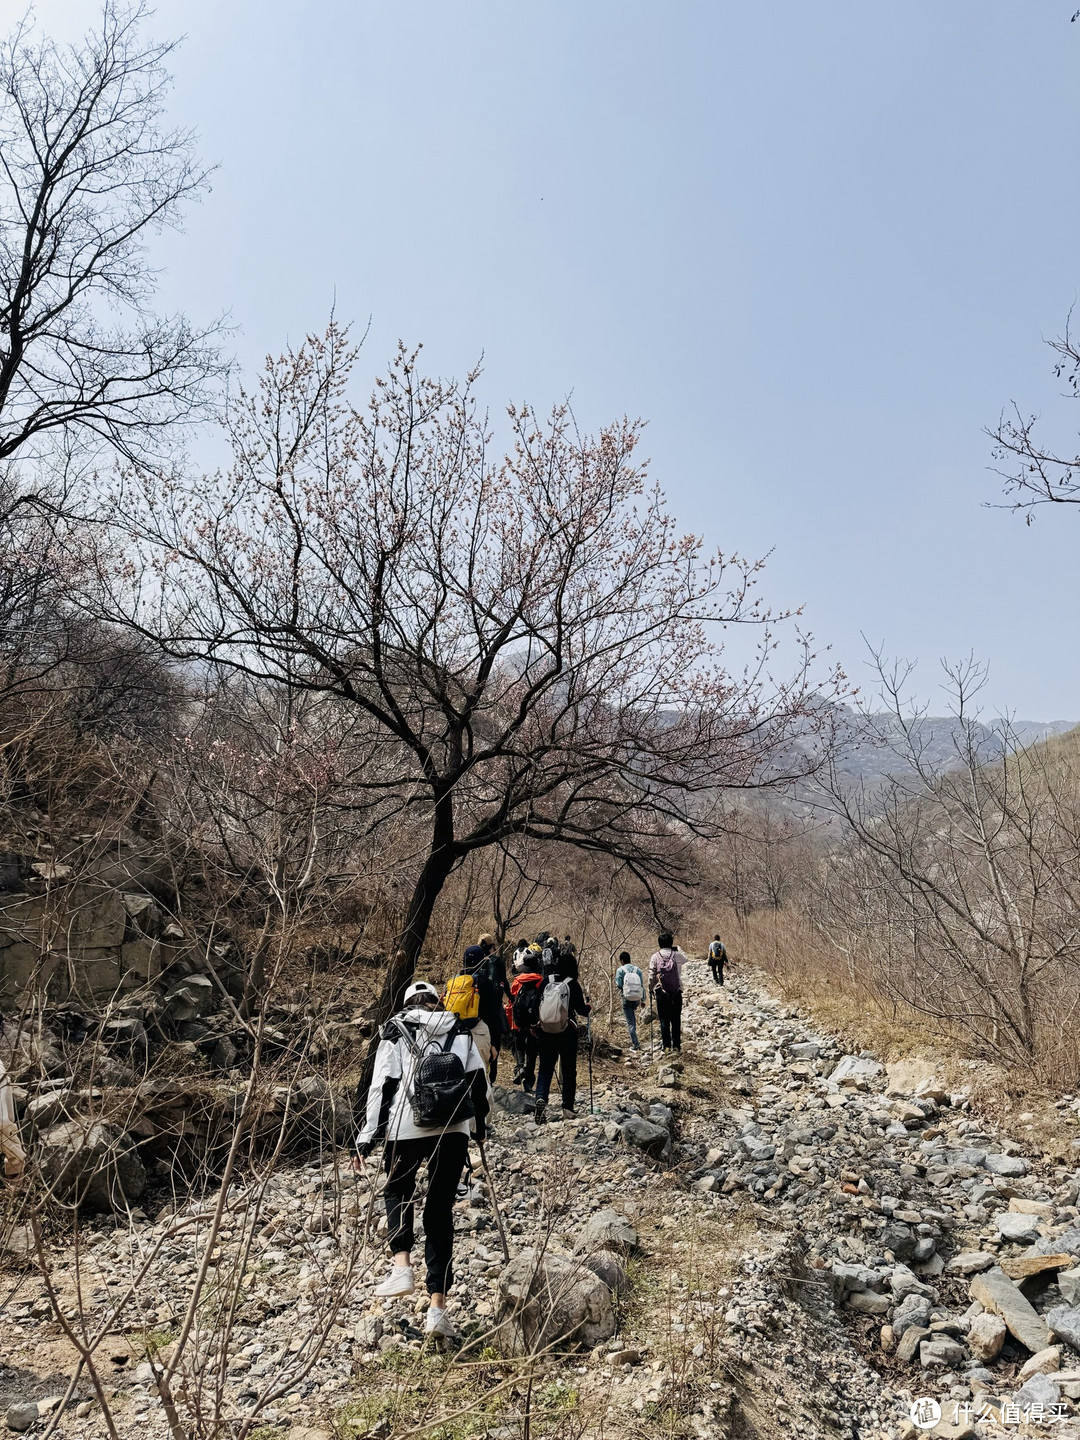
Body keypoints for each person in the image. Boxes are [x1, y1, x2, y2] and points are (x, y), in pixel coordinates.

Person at [354, 980, 489, 1341]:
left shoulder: (395, 1030)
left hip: (407, 1127)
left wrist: (367, 1137)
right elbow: (478, 1082)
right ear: (435, 1002)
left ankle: (402, 1266)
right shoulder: (459, 1028)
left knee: (397, 1190)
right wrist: (479, 1126)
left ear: (407, 1003)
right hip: (455, 1126)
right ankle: (437, 1310)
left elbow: (382, 1085)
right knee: (440, 1210)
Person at [533, 951, 590, 1123]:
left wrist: (534, 1025)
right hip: (567, 1033)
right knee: (568, 1069)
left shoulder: (546, 981)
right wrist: (588, 1007)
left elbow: (536, 1006)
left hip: (546, 1032)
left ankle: (540, 1098)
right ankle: (567, 1107)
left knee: (545, 1067)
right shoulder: (572, 984)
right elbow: (581, 1011)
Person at [462, 934, 510, 1082]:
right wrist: (511, 997)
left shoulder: (459, 977)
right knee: (491, 1051)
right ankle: (491, 1079)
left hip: (463, 1025)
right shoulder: (496, 963)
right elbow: (503, 983)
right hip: (488, 1017)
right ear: (491, 947)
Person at [648, 932, 685, 1051]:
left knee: (664, 1020)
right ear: (671, 943)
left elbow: (651, 976)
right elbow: (687, 959)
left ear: (659, 944)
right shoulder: (677, 955)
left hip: (661, 993)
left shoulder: (655, 956)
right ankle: (677, 1046)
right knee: (676, 1019)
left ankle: (667, 1046)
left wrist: (650, 988)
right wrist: (678, 949)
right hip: (676, 992)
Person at [614, 951, 644, 1050]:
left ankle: (636, 1044)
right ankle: (635, 1037)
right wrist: (643, 1000)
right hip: (637, 998)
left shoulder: (620, 970)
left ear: (622, 960)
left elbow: (619, 984)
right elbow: (642, 986)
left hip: (626, 997)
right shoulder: (638, 970)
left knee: (630, 1022)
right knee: (633, 1019)